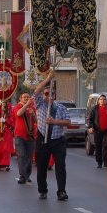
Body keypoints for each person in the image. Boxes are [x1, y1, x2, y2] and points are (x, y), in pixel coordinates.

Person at [33, 70, 71, 201]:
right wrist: (48, 78)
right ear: (43, 95)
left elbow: (68, 122)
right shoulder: (39, 104)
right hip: (43, 139)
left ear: (54, 96)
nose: (49, 96)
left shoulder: (61, 108)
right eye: (46, 94)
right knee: (41, 167)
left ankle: (61, 191)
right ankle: (42, 190)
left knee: (60, 166)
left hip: (57, 140)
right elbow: (36, 90)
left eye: (51, 94)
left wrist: (54, 121)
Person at [14, 92, 36, 184]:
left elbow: (36, 121)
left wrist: (33, 114)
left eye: (28, 97)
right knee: (22, 155)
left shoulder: (32, 108)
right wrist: (26, 105)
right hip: (20, 136)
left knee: (29, 157)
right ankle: (22, 176)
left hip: (30, 136)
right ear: (20, 99)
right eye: (24, 97)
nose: (26, 98)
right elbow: (19, 114)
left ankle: (27, 175)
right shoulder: (17, 107)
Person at [88, 94, 107, 169]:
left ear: (106, 101)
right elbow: (90, 119)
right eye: (101, 99)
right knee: (98, 146)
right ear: (99, 101)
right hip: (97, 130)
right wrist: (90, 127)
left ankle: (106, 162)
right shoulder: (95, 109)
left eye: (104, 99)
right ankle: (99, 162)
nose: (103, 101)